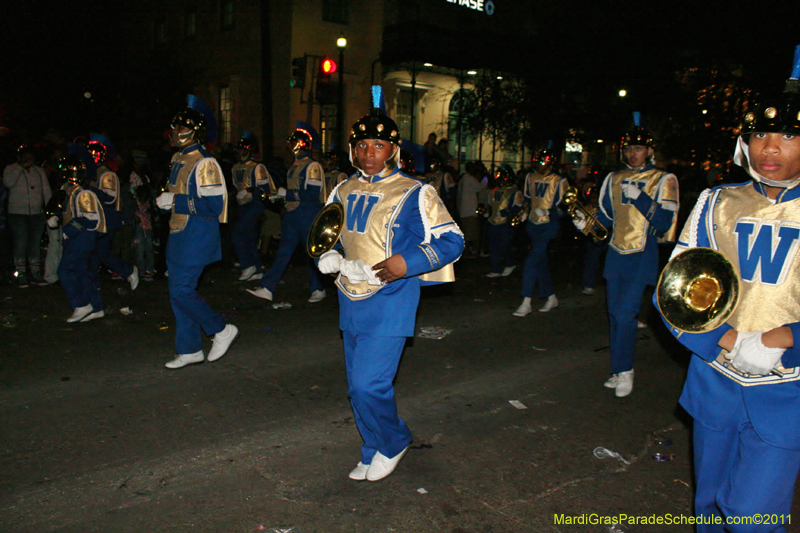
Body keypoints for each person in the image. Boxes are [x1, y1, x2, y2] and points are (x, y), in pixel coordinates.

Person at [657, 49, 800, 531]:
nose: (771, 148)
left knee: (752, 518)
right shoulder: (716, 202)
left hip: (788, 390)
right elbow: (672, 290)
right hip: (715, 378)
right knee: (711, 508)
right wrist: (728, 341)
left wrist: (784, 339)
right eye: (760, 134)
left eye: (789, 135)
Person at [318, 88, 464, 482]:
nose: (369, 153)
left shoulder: (416, 191)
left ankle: (394, 440)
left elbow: (453, 241)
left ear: (393, 150)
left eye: (378, 145)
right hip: (350, 296)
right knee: (357, 387)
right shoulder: (342, 188)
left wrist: (406, 262)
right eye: (362, 145)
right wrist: (325, 256)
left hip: (391, 299)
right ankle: (372, 447)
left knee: (369, 384)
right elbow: (326, 234)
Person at [577, 113, 678, 397]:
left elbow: (665, 223)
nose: (633, 154)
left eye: (639, 149)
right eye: (629, 149)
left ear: (649, 151)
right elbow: (606, 220)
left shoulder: (663, 179)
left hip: (642, 256)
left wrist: (641, 197)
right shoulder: (614, 178)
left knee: (625, 314)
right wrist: (585, 222)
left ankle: (625, 370)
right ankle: (618, 368)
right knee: (614, 315)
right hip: (615, 255)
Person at [156, 95, 238, 369]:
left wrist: (175, 201)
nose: (177, 132)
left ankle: (221, 329)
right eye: (176, 127)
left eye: (183, 127)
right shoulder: (179, 157)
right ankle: (190, 349)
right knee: (177, 292)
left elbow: (215, 204)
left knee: (181, 290)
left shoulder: (205, 162)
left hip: (197, 234)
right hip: (179, 232)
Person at [247, 123, 326, 303]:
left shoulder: (312, 166)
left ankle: (320, 287)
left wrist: (287, 194)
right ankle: (267, 287)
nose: (290, 146)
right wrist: (280, 197)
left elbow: (313, 194)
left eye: (293, 143)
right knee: (284, 252)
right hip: (293, 214)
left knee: (313, 254)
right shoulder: (295, 165)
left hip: (308, 214)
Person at [49, 154, 106, 322]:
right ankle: (96, 307)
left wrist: (68, 230)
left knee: (65, 270)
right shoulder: (70, 191)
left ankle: (81, 304)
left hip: (81, 239)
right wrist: (57, 217)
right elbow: (70, 211)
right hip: (78, 239)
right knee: (82, 273)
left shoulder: (83, 193)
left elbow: (90, 218)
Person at [514, 147, 567, 316]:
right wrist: (524, 212)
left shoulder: (559, 181)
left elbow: (565, 208)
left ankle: (526, 301)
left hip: (548, 226)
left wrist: (548, 213)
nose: (540, 165)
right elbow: (528, 200)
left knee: (531, 261)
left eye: (543, 162)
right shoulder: (530, 177)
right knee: (540, 262)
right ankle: (551, 297)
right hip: (533, 224)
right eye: (537, 162)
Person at [86, 134, 139, 291]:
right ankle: (93, 282)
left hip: (105, 218)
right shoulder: (92, 172)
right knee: (93, 251)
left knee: (100, 250)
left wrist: (89, 191)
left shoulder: (106, 174)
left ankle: (127, 270)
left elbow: (109, 199)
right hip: (95, 218)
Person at [3, 145, 51, 286]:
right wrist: (20, 167)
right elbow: (8, 183)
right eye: (25, 157)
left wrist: (49, 209)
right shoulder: (10, 169)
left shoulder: (38, 171)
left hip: (37, 213)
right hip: (17, 213)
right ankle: (21, 274)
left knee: (34, 243)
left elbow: (46, 190)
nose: (28, 160)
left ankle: (36, 273)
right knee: (20, 242)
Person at [231, 131, 275, 282]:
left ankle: (247, 265)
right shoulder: (235, 167)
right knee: (248, 238)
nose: (239, 153)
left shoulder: (257, 167)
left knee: (237, 234)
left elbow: (264, 188)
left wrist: (249, 191)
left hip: (254, 204)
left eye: (242, 149)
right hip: (242, 205)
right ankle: (256, 268)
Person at [484, 166, 523, 278]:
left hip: (505, 222)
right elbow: (491, 206)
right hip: (493, 221)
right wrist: (487, 212)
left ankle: (510, 263)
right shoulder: (493, 192)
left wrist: (507, 213)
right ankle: (495, 268)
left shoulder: (514, 192)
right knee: (493, 246)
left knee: (505, 244)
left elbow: (518, 207)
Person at [456, 161, 486, 257]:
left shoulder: (463, 179)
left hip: (463, 210)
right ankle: (469, 252)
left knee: (467, 232)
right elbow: (480, 187)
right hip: (470, 210)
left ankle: (467, 251)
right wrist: (485, 179)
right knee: (471, 233)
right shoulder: (469, 179)